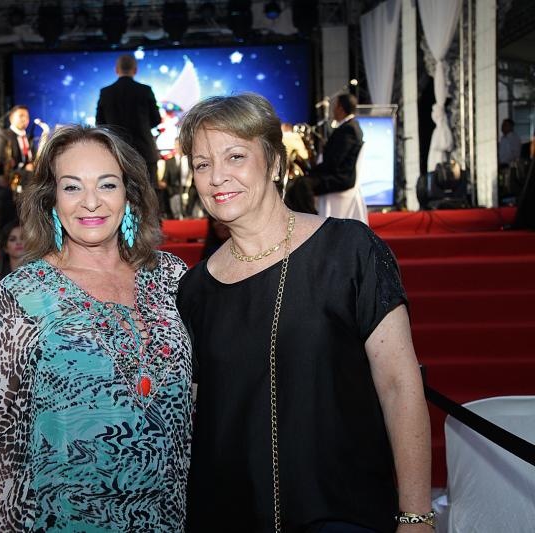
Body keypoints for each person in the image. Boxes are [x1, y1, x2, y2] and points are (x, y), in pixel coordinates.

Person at [177, 93, 432, 533]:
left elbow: (398, 384)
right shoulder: (195, 289)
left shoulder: (350, 250)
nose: (217, 176)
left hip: (341, 512)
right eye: (202, 164)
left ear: (275, 163)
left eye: (235, 156)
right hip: (228, 515)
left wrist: (416, 516)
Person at [0, 125, 192, 531]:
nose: (91, 202)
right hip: (67, 520)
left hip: (172, 516)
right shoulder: (19, 297)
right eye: (72, 187)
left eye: (107, 184)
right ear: (51, 200)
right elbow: (1, 450)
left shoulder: (172, 278)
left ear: (129, 194)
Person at [96, 54, 162, 189]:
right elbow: (156, 120)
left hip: (117, 153)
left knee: (119, 192)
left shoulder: (106, 92)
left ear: (116, 70)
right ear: (135, 70)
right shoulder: (145, 91)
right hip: (145, 153)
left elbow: (100, 123)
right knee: (149, 194)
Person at [307, 93, 366, 222]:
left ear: (341, 108)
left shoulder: (348, 129)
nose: (333, 110)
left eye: (335, 106)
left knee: (302, 186)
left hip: (341, 179)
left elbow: (334, 162)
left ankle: (309, 225)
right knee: (303, 183)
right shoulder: (351, 126)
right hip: (340, 174)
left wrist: (313, 172)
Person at [0, 105, 35, 174]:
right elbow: (1, 162)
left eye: (27, 117)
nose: (25, 119)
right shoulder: (3, 135)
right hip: (14, 176)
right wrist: (24, 170)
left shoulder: (28, 137)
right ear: (11, 118)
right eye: (21, 116)